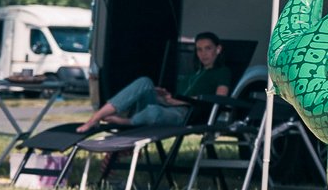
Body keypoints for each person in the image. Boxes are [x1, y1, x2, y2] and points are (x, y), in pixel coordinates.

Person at [74, 31, 231, 132]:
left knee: (153, 112)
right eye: (199, 49)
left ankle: (127, 122)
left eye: (208, 48)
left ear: (218, 49)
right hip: (169, 107)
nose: (203, 54)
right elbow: (173, 98)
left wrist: (183, 101)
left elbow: (219, 100)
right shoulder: (193, 74)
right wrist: (165, 97)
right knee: (144, 82)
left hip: (187, 115)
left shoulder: (222, 72)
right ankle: (95, 118)